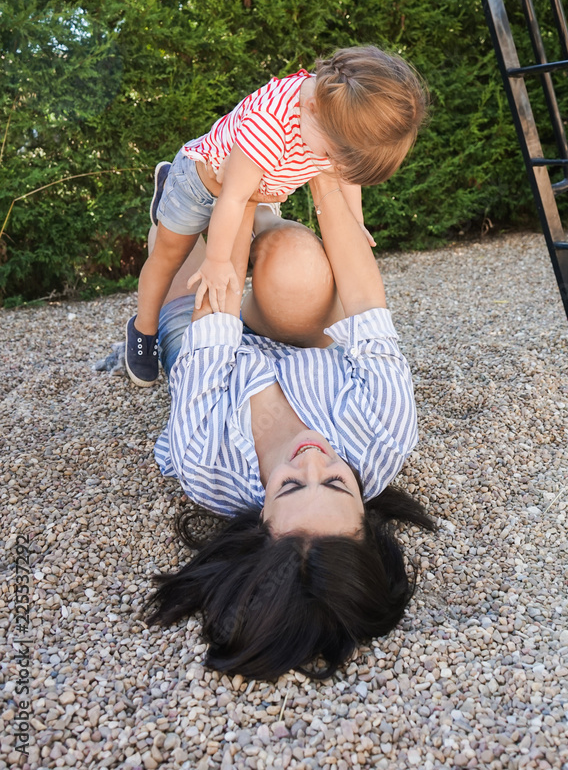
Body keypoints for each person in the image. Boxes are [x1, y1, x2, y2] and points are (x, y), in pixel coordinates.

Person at [143, 170, 435, 680]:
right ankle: (266, 222)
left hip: (209, 331)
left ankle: (222, 204)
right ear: (366, 516)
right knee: (295, 258)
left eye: (292, 485)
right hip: (297, 333)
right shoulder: (385, 432)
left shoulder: (204, 461)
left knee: (180, 229)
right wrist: (324, 171)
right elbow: (364, 299)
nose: (313, 456)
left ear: (260, 524)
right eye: (338, 482)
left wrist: (237, 186)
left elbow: (216, 311)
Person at [125, 46, 427, 387]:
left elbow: (347, 171)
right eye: (331, 155)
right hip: (204, 184)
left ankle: (255, 210)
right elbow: (232, 198)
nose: (335, 165)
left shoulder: (336, 110)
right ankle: (144, 328)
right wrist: (217, 260)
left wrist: (355, 220)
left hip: (257, 179)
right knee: (169, 255)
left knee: (253, 208)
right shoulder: (267, 127)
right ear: (311, 108)